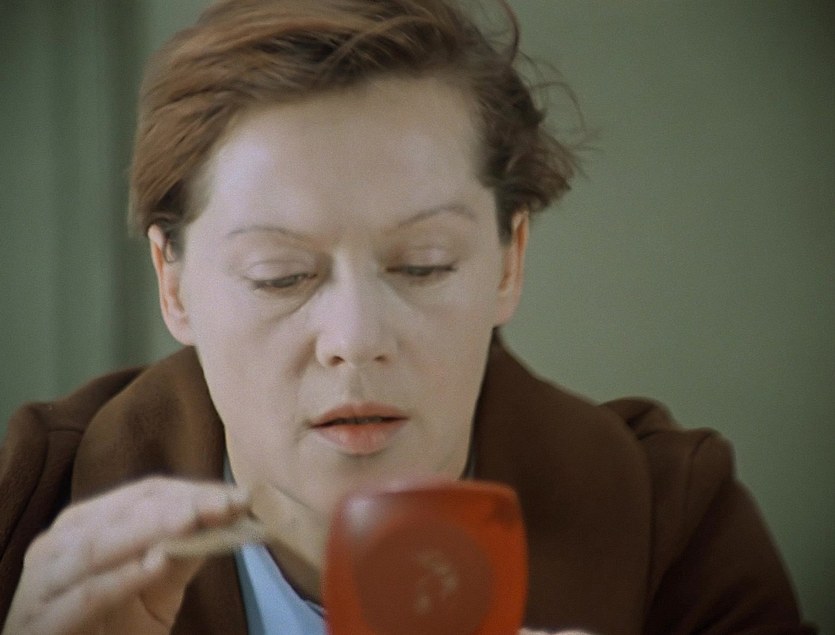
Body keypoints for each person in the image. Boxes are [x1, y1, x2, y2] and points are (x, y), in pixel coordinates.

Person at [0, 0, 815, 633]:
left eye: (422, 265)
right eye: (280, 276)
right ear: (173, 284)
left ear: (509, 260)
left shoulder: (672, 523)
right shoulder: (25, 503)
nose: (356, 341)